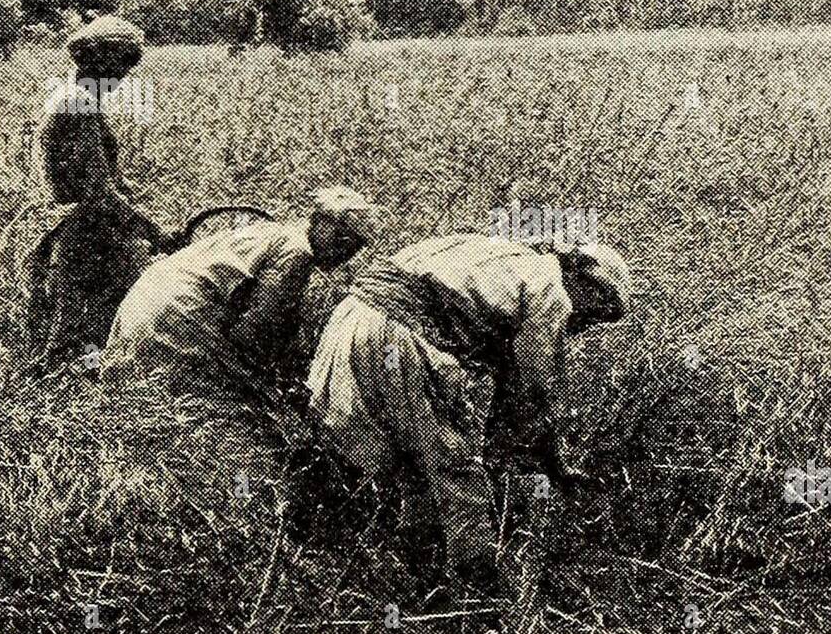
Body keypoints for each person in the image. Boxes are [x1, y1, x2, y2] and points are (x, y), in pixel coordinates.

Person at [306, 233, 632, 593]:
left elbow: (515, 388)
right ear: (586, 281)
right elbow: (532, 392)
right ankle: (478, 592)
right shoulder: (549, 289)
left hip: (350, 320)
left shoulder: (502, 256)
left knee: (408, 463)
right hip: (398, 335)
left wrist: (549, 459)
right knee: (456, 471)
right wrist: (526, 461)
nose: (589, 323)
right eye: (600, 311)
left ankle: (401, 569)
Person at [100, 187, 382, 515]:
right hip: (178, 320)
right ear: (318, 221)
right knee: (242, 437)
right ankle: (246, 511)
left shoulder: (271, 234)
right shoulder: (297, 253)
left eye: (354, 246)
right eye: (341, 238)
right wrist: (281, 391)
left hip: (144, 308)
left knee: (169, 416)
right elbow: (255, 336)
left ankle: (177, 492)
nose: (344, 252)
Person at [28, 15, 168, 367]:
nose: (122, 80)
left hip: (85, 223)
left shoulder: (76, 100)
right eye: (120, 69)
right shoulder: (77, 105)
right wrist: (156, 231)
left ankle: (86, 377)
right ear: (100, 64)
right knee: (73, 329)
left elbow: (101, 176)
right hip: (78, 227)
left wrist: (130, 192)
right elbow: (98, 192)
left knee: (96, 322)